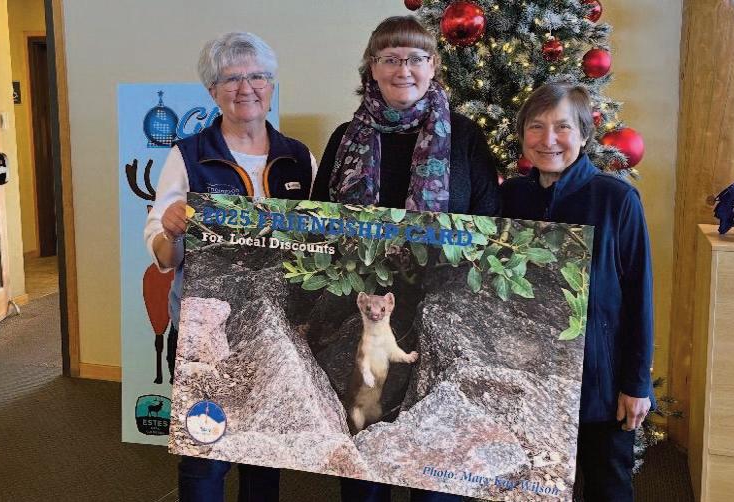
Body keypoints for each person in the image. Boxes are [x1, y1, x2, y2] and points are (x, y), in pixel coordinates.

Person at [311, 15, 499, 502]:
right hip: (362, 310)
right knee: (365, 445)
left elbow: (489, 222)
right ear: (371, 68)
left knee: (433, 459)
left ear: (433, 65)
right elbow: (317, 222)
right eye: (390, 58)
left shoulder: (465, 137)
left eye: (415, 58)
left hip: (440, 308)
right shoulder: (344, 138)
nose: (403, 69)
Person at [144, 31, 317, 502]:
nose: (247, 88)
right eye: (231, 79)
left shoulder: (299, 157)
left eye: (257, 76)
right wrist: (171, 231)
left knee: (264, 454)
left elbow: (318, 245)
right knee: (205, 455)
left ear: (271, 84)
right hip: (205, 335)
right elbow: (163, 255)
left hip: (276, 331)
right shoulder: (188, 155)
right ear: (212, 91)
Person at [500, 82, 655, 502]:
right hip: (529, 378)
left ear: (584, 134)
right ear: (523, 135)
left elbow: (639, 297)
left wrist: (636, 384)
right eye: (536, 126)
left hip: (600, 383)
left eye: (562, 127)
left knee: (608, 487)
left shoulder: (617, 199)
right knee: (531, 487)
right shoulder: (508, 198)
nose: (548, 139)